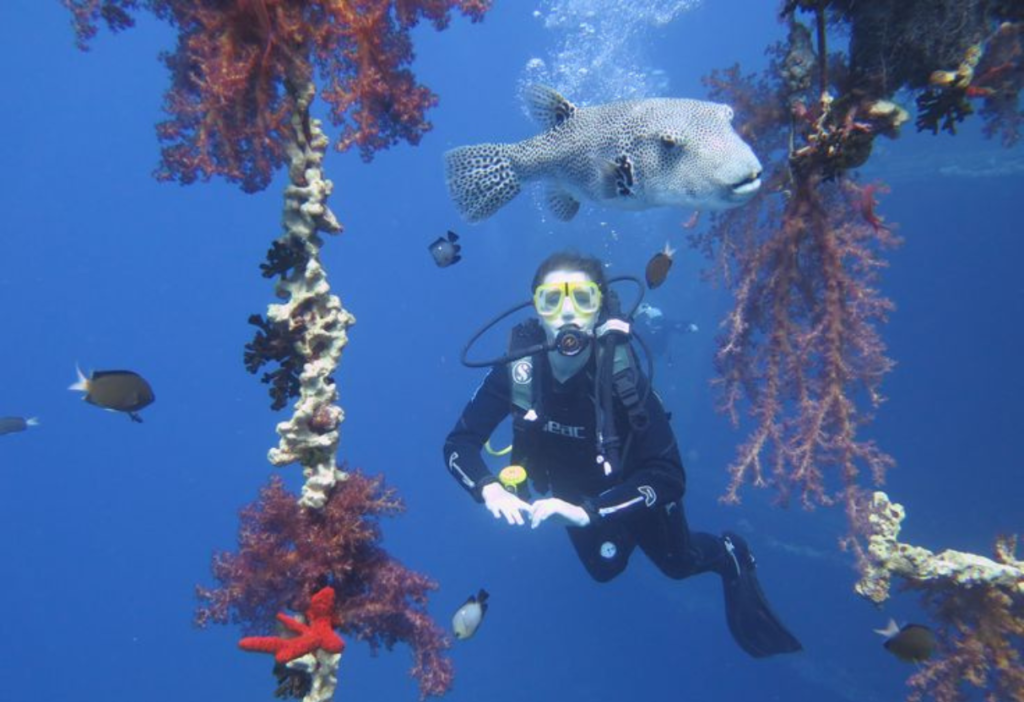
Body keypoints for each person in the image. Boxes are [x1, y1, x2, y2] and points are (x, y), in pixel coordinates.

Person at [443, 250, 802, 658]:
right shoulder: (517, 370)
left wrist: (593, 513)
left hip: (631, 487)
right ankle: (620, 530)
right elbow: (459, 444)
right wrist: (488, 488)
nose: (566, 314)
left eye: (582, 298)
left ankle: (729, 554)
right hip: (570, 496)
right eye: (551, 300)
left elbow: (668, 475)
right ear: (536, 308)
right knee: (604, 570)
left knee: (678, 563)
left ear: (599, 308)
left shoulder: (620, 374)